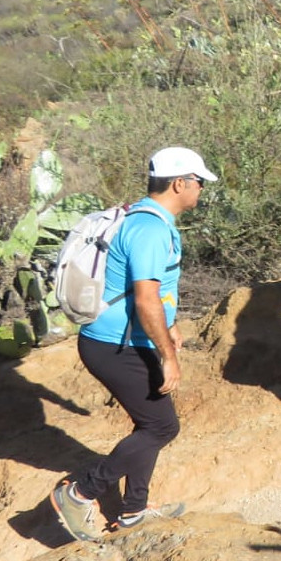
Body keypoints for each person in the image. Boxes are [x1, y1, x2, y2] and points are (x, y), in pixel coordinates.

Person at [50, 147, 217, 541]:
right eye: (198, 182)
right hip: (115, 346)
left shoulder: (144, 217)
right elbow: (145, 299)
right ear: (180, 184)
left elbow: (152, 291)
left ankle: (133, 512)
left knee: (150, 425)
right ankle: (79, 493)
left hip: (122, 341)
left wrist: (169, 325)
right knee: (162, 427)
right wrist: (168, 356)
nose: (201, 189)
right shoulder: (151, 230)